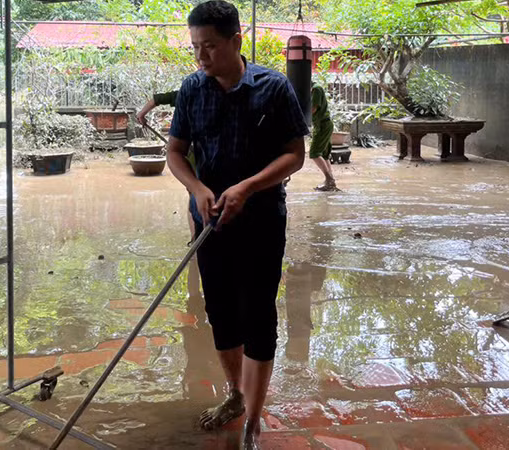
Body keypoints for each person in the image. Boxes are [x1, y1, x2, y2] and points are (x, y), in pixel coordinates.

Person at [166, 2, 308, 449]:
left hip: (262, 220)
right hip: (210, 222)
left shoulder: (274, 87)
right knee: (221, 313)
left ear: (236, 41)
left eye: (209, 46)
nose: (201, 57)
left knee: (258, 315)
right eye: (195, 47)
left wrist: (247, 187)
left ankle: (254, 417)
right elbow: (175, 152)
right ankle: (235, 395)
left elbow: (294, 155)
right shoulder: (192, 88)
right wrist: (196, 188)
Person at [137, 90, 199, 245]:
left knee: (194, 191)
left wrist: (142, 114)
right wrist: (142, 114)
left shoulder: (188, 91)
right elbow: (157, 99)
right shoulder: (189, 92)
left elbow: (156, 99)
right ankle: (196, 237)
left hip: (192, 149)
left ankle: (196, 237)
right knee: (194, 191)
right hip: (192, 150)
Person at [309, 82, 338, 191]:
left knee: (314, 153)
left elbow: (313, 109)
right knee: (324, 155)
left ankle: (329, 180)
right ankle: (330, 182)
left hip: (322, 125)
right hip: (324, 124)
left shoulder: (316, 89)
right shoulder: (315, 88)